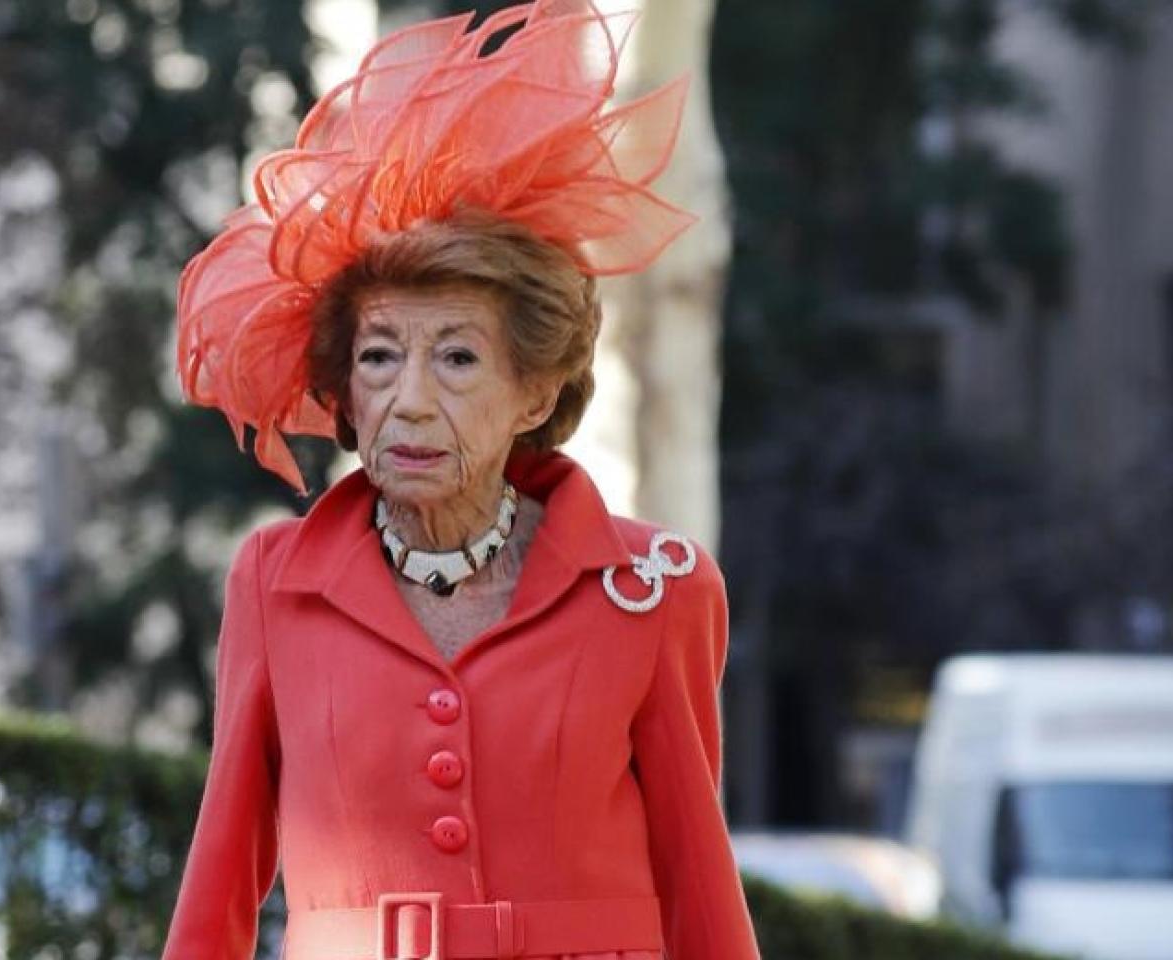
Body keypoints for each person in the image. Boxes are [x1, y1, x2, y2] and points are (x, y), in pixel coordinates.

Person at [162, 1, 761, 957]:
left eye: (457, 359)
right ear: (343, 389)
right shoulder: (273, 583)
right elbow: (221, 878)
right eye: (378, 358)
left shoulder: (659, 592)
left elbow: (699, 880)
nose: (407, 402)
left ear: (535, 393)